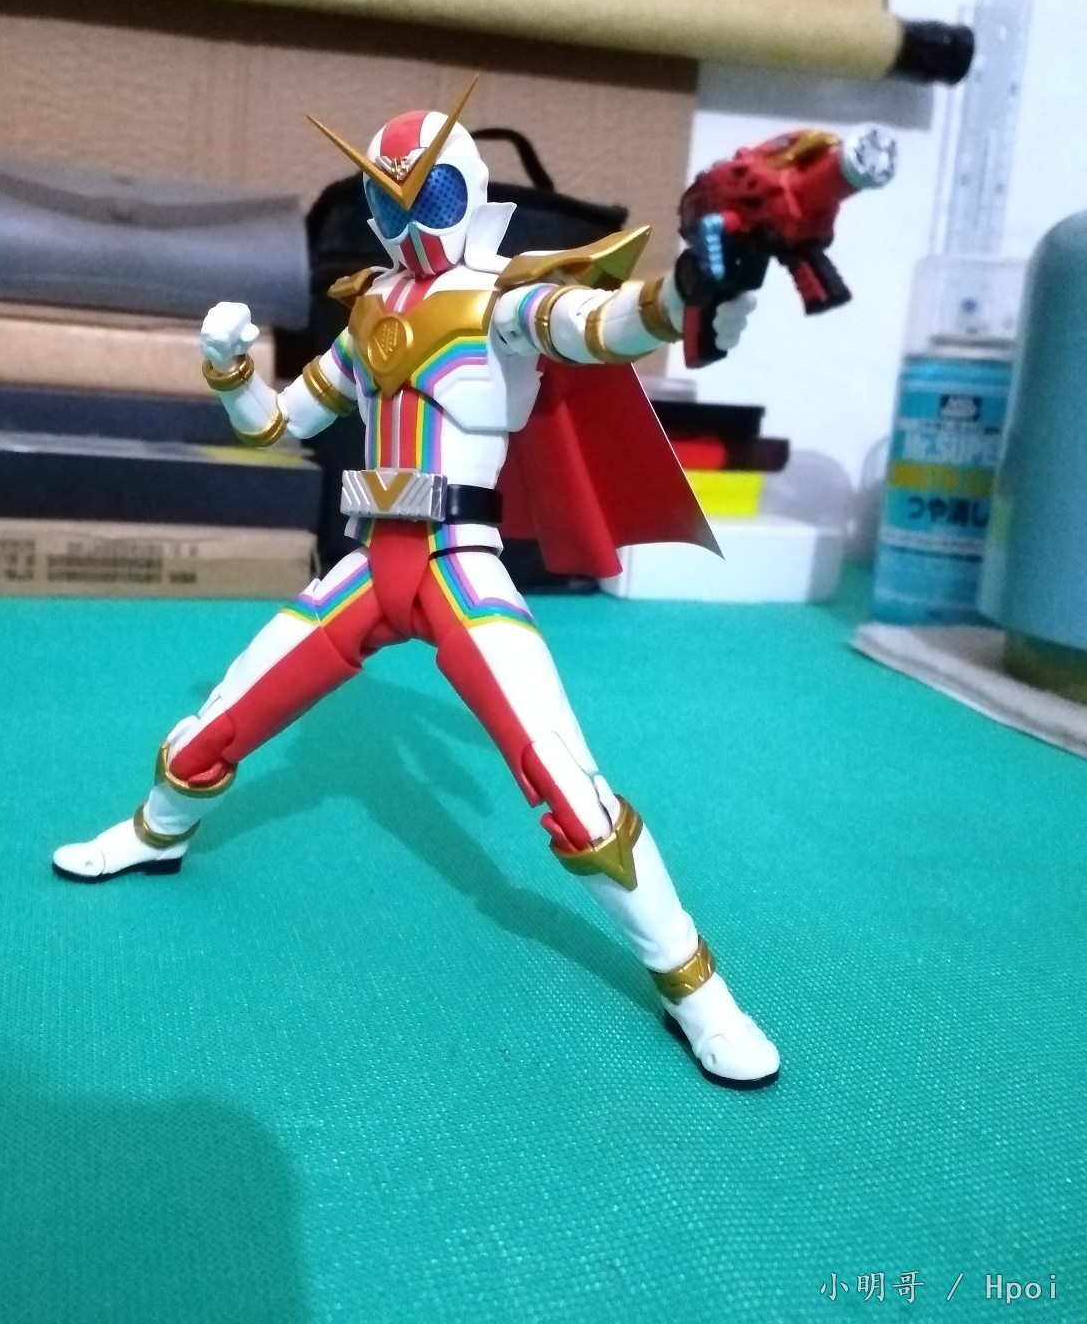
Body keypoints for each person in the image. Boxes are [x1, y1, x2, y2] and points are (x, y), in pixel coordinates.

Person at [53, 86, 778, 1088]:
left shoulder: (502, 301)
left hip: (459, 565)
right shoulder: (368, 314)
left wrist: (695, 291)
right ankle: (154, 833)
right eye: (385, 203)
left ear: (466, 194)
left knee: (567, 785)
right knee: (220, 719)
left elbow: (606, 323)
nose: (406, 224)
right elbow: (278, 426)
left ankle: (696, 986)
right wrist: (229, 370)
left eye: (426, 197)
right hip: (366, 560)